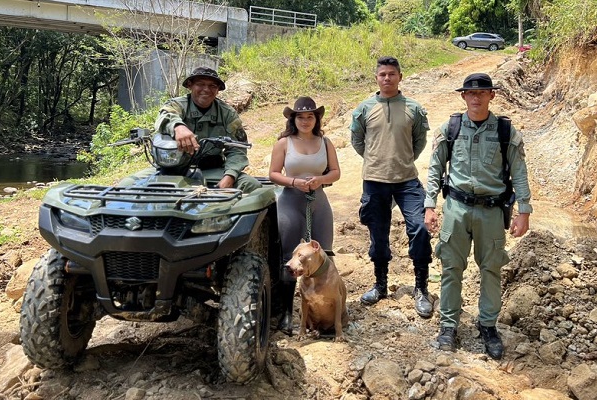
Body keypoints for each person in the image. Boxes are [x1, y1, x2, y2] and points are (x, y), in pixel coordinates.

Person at [424, 73, 533, 359]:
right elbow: (435, 168)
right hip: (456, 209)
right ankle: (448, 327)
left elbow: (519, 172)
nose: (476, 97)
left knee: (491, 270)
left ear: (491, 95)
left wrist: (524, 211)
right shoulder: (451, 127)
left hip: (492, 212)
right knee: (450, 268)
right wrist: (429, 205)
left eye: (482, 92)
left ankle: (488, 326)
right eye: (470, 93)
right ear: (463, 96)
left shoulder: (505, 132)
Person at [350, 56, 433, 318]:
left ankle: (421, 288)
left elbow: (419, 141)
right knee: (378, 234)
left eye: (392, 74)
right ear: (376, 78)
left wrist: (402, 159)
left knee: (419, 228)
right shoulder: (363, 109)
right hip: (375, 180)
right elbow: (357, 141)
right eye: (382, 74)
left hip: (407, 179)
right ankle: (380, 284)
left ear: (400, 76)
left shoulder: (413, 109)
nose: (387, 78)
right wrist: (377, 160)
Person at [268, 96, 341, 334]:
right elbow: (273, 174)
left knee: (324, 253)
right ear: (293, 119)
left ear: (316, 119)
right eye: (301, 116)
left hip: (318, 201)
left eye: (310, 116)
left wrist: (320, 179)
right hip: (290, 201)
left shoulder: (325, 142)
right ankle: (287, 313)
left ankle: (326, 310)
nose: (305, 120)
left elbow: (336, 172)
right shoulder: (284, 143)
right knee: (289, 258)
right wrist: (293, 182)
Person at [154, 67, 261, 192]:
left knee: (252, 187)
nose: (206, 89)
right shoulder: (177, 105)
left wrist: (230, 176)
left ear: (217, 90)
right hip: (174, 170)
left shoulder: (227, 113)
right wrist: (178, 127)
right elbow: (165, 115)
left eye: (212, 86)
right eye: (200, 84)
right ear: (190, 85)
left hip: (212, 171)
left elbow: (238, 148)